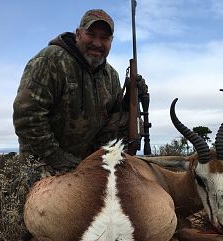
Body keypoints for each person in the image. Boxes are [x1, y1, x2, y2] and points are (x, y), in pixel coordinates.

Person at [13, 9, 147, 174]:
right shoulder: (50, 61)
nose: (97, 43)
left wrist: (129, 103)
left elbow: (113, 122)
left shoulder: (111, 75)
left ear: (111, 41)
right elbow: (27, 118)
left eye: (104, 38)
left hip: (85, 163)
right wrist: (59, 159)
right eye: (91, 34)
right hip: (43, 161)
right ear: (78, 34)